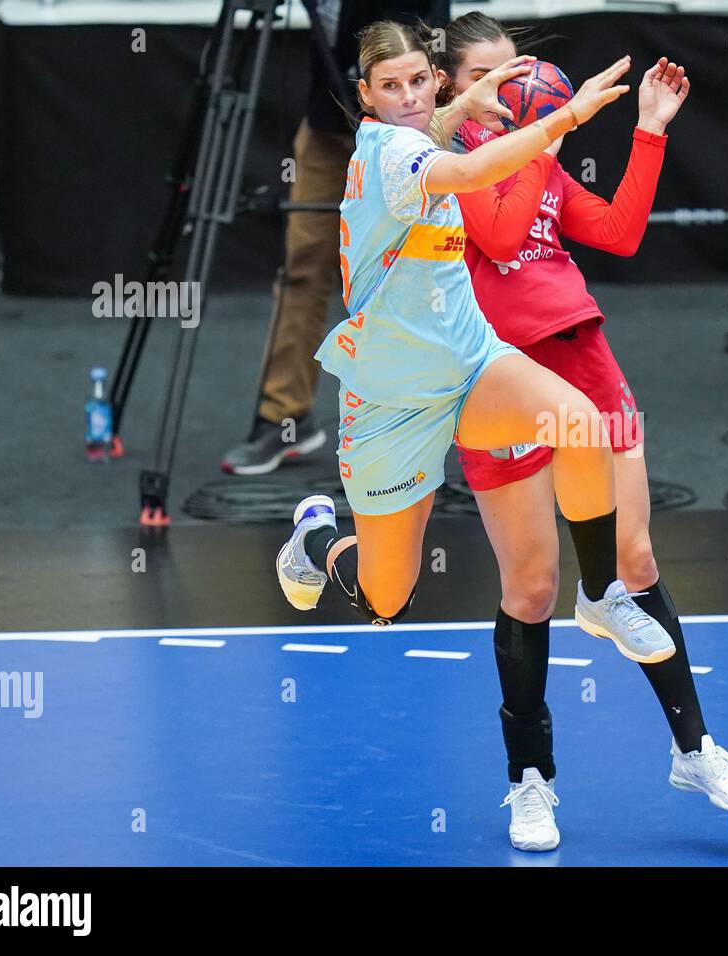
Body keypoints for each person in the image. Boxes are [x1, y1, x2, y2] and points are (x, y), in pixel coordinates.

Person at [275, 23, 679, 706]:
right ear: (365, 96)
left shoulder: (431, 123)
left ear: (434, 79)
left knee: (580, 424)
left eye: (416, 80)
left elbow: (445, 132)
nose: (405, 96)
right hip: (392, 396)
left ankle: (602, 594)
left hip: (469, 362)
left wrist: (471, 101)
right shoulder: (388, 151)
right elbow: (466, 172)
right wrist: (566, 118)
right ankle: (316, 540)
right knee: (385, 599)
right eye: (389, 86)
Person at [438, 12, 728, 852]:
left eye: (521, 73)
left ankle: (694, 750)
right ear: (453, 88)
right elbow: (501, 232)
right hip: (499, 380)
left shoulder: (537, 159)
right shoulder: (451, 168)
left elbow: (616, 232)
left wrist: (649, 132)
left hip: (583, 356)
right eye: (492, 77)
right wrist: (550, 131)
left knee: (637, 562)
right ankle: (531, 782)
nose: (514, 89)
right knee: (531, 591)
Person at [221, 1, 447, 474]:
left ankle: (421, 420)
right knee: (304, 264)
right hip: (327, 120)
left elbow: (423, 30)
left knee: (413, 272)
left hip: (403, 125)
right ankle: (283, 418)